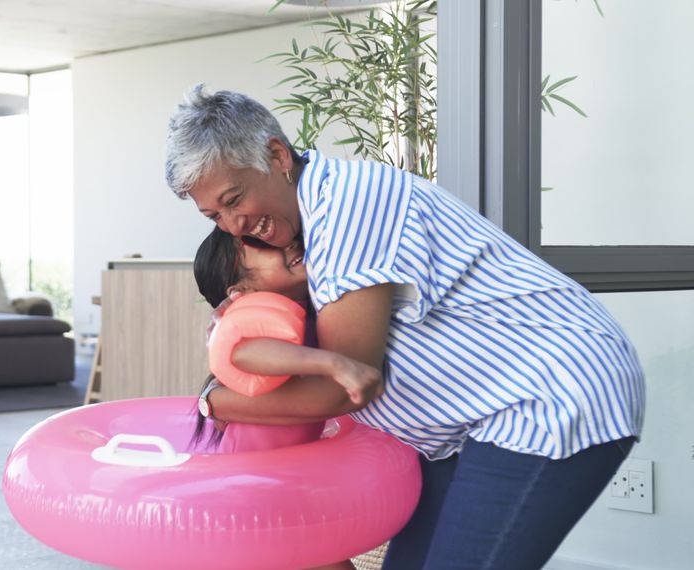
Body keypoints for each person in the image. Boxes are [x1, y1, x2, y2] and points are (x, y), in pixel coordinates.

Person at [165, 85, 645, 569]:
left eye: (234, 199)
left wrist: (213, 402)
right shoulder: (306, 232)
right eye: (214, 215)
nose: (234, 223)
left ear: (276, 154)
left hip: (548, 392)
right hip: (472, 424)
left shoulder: (347, 205)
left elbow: (345, 385)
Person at [190, 229, 363, 570]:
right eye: (262, 246)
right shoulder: (254, 322)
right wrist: (333, 363)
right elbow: (247, 354)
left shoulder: (304, 312)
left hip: (287, 484)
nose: (289, 244)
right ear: (241, 291)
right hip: (252, 490)